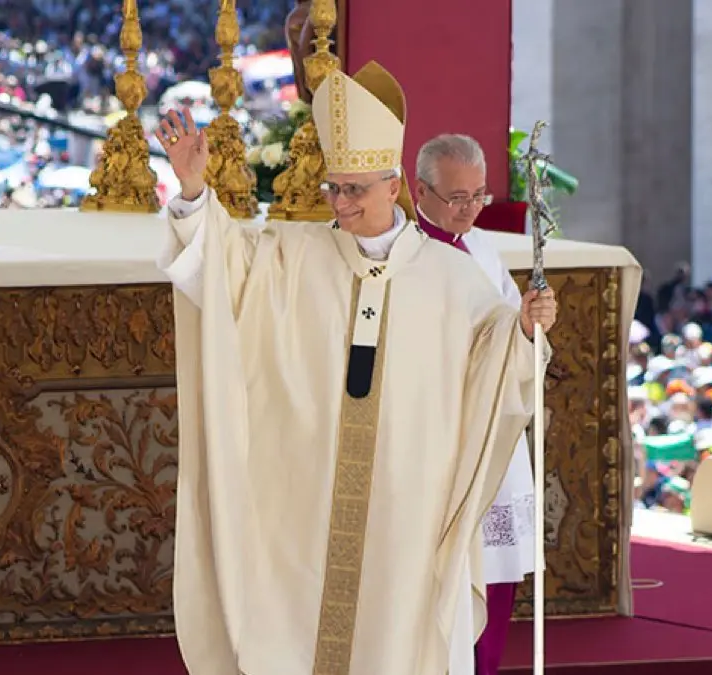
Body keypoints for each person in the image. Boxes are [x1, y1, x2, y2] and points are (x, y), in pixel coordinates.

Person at [155, 60, 557, 675]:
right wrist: (190, 190)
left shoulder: (451, 277)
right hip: (305, 502)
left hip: (407, 505)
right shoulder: (294, 256)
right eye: (334, 189)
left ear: (394, 186)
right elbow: (223, 269)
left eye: (356, 189)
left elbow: (496, 360)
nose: (340, 204)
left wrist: (525, 329)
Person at [413, 133, 538, 675]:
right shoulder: (406, 251)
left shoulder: (483, 248)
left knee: (496, 578)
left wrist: (530, 326)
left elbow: (513, 335)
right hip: (438, 440)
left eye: (478, 196)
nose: (469, 209)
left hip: (495, 432)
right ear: (420, 191)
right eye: (457, 198)